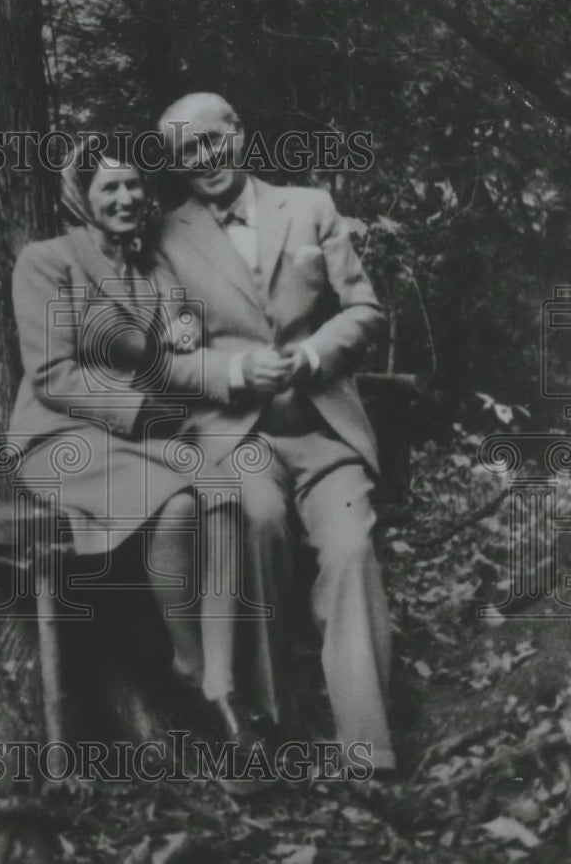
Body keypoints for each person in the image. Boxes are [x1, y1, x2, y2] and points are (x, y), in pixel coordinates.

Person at [7, 139, 275, 782]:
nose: (126, 199)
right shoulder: (47, 262)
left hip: (144, 441)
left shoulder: (156, 270)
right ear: (81, 197)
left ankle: (217, 674)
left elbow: (179, 350)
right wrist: (144, 412)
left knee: (218, 488)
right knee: (178, 497)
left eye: (132, 187)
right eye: (109, 190)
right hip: (62, 438)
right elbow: (54, 374)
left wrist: (185, 347)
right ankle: (194, 668)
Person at [150, 93, 396, 772]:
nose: (204, 159)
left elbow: (365, 309)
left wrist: (315, 354)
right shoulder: (167, 236)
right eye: (185, 152)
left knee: (350, 548)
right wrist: (232, 367)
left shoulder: (309, 207)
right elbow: (167, 356)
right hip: (238, 437)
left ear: (238, 132)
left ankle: (368, 747)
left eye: (212, 140)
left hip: (323, 429)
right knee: (254, 523)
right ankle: (264, 724)